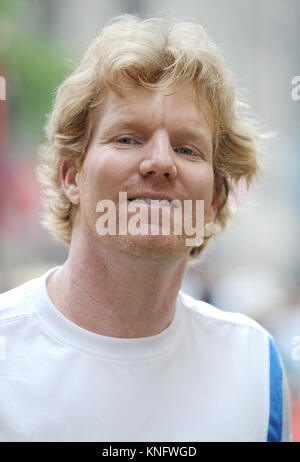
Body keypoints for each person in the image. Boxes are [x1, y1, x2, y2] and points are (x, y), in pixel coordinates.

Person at [0, 14, 291, 442]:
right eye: (127, 139)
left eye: (187, 148)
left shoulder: (255, 365)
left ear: (214, 200)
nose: (160, 162)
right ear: (71, 176)